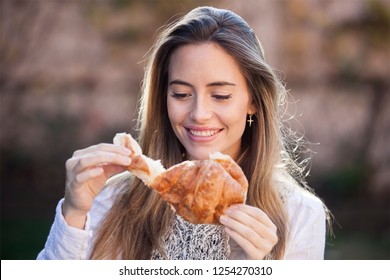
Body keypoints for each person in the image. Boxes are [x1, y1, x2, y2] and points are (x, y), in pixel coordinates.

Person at [37, 6, 329, 260]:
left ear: (253, 101)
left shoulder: (299, 213)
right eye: (180, 93)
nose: (199, 113)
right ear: (162, 98)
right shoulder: (113, 196)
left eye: (221, 96)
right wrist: (74, 215)